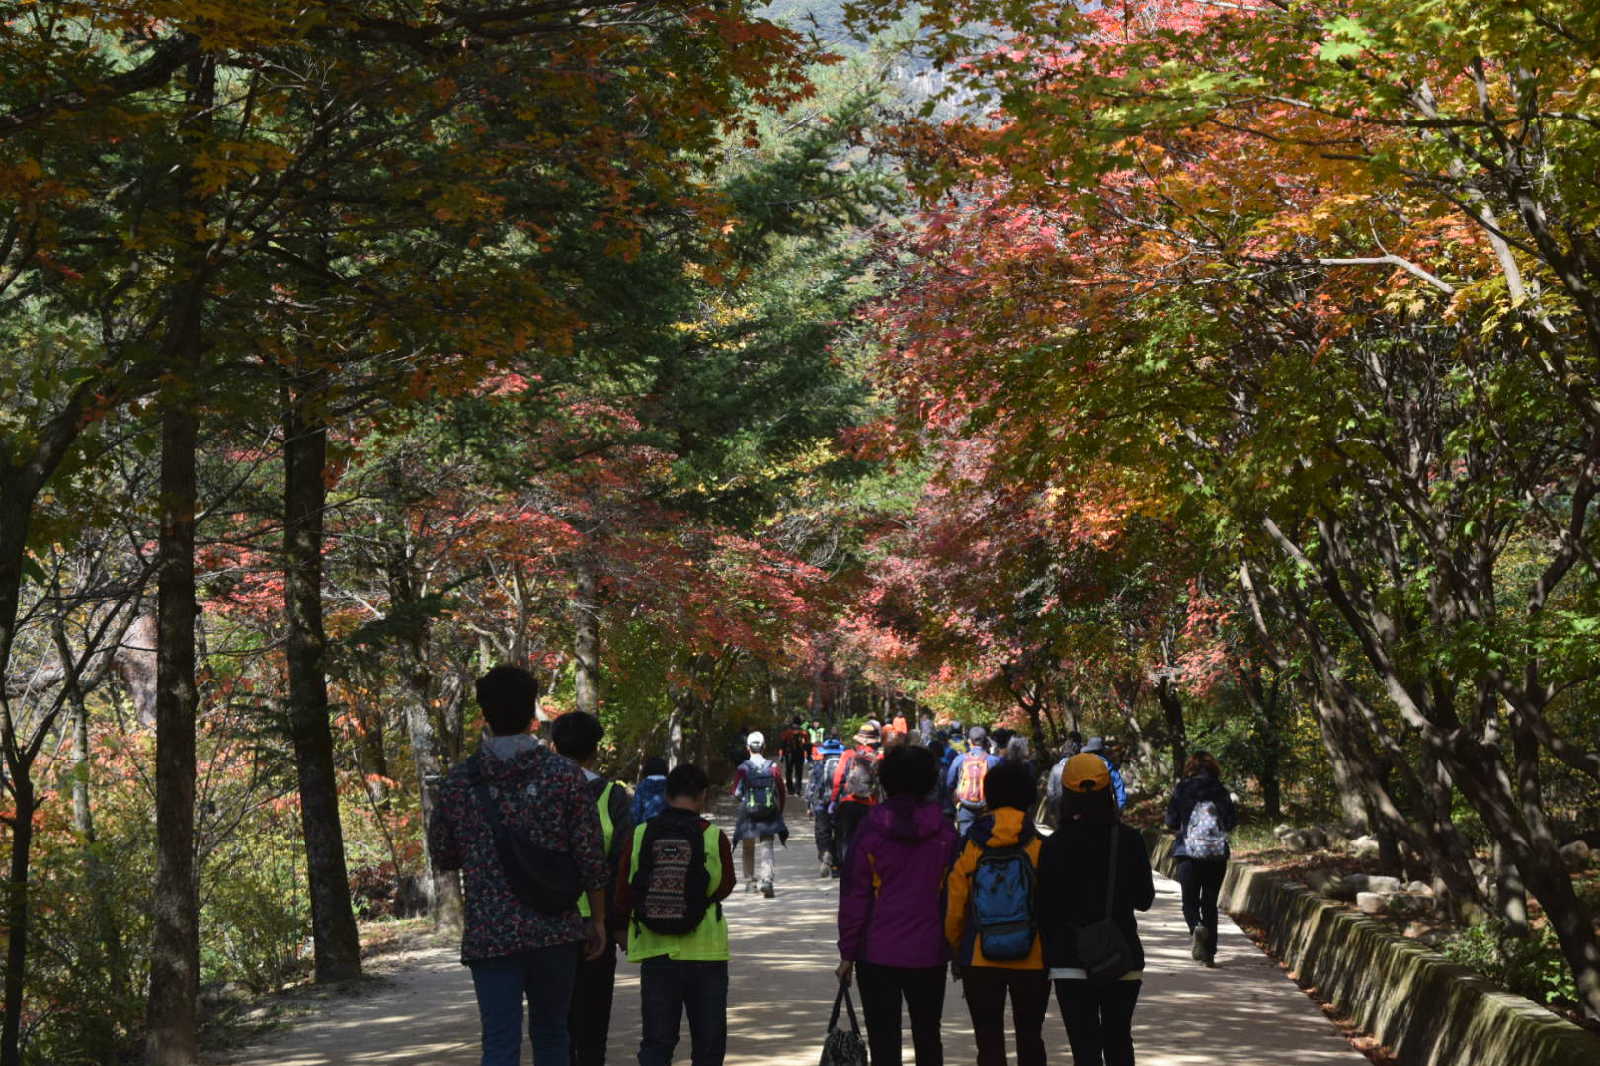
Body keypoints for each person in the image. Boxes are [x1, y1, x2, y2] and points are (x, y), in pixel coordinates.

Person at [427, 666, 610, 1066]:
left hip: (490, 933)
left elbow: (442, 854)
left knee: (499, 1042)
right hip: (556, 929)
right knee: (552, 1036)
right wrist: (597, 919)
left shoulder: (459, 782)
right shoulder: (565, 775)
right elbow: (590, 855)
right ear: (532, 712)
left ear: (485, 715)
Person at [836, 746, 961, 1066]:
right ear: (929, 780)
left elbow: (854, 895)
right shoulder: (946, 832)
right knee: (928, 1035)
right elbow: (956, 895)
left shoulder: (869, 830)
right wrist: (957, 948)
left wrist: (847, 952)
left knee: (883, 1040)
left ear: (886, 781)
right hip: (929, 951)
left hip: (876, 952)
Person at [615, 763, 736, 1066]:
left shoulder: (641, 834)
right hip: (707, 952)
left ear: (667, 795)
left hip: (657, 953)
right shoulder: (714, 836)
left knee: (657, 1042)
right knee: (708, 1044)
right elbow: (724, 887)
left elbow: (624, 892)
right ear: (704, 796)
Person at [1038, 754, 1155, 1066]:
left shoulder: (1055, 845)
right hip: (1121, 955)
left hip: (1070, 960)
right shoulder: (1129, 840)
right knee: (1119, 1042)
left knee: (1085, 1049)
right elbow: (1145, 900)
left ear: (1066, 794)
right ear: (1108, 791)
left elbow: (1043, 909)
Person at [944, 761, 1048, 1066]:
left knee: (988, 1041)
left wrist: (956, 950)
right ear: (1028, 797)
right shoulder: (1040, 846)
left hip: (979, 956)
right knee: (1031, 1037)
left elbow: (954, 906)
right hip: (1034, 958)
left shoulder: (970, 846)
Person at [551, 711, 634, 1066]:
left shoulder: (538, 794)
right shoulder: (612, 797)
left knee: (555, 1020)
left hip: (548, 924)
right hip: (595, 926)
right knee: (594, 1017)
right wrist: (617, 921)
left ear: (554, 748)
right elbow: (623, 863)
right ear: (595, 751)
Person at [1164, 751, 1237, 967]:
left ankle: (1196, 927)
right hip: (1216, 855)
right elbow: (1232, 820)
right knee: (1210, 903)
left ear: (1191, 768)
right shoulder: (1220, 789)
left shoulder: (1182, 789)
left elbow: (1170, 820)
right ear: (1213, 767)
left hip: (1187, 853)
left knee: (1190, 902)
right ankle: (1210, 954)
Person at [729, 731, 788, 898]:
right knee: (767, 846)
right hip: (769, 811)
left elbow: (735, 792)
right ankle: (767, 880)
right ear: (764, 747)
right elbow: (781, 791)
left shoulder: (743, 768)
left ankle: (750, 883)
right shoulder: (773, 767)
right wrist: (779, 810)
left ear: (748, 748)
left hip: (748, 812)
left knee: (748, 848)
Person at [830, 721, 883, 871]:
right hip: (870, 803)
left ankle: (848, 870)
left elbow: (838, 779)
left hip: (848, 801)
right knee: (868, 839)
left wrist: (834, 800)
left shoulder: (848, 754)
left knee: (847, 838)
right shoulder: (878, 757)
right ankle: (866, 870)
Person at [948, 727, 1000, 835]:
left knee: (965, 841)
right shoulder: (994, 761)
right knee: (984, 841)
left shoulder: (960, 759)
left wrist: (955, 799)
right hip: (987, 809)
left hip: (965, 808)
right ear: (985, 741)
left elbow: (949, 783)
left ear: (969, 741)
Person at [809, 731, 846, 877]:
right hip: (839, 803)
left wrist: (808, 805)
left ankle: (825, 853)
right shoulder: (845, 765)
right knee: (839, 832)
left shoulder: (818, 767)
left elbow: (811, 788)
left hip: (820, 804)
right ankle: (837, 867)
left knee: (822, 832)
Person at [1045, 732, 1085, 826]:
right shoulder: (1082, 768)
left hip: (1060, 810)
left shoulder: (1055, 768)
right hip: (1078, 812)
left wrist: (1052, 810)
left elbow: (1050, 792)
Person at [633, 757, 670, 825]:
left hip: (645, 828)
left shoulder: (642, 786)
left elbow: (636, 812)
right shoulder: (671, 786)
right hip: (667, 828)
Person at [779, 717, 812, 793]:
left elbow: (782, 744)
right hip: (799, 753)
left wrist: (781, 755)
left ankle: (790, 789)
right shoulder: (803, 733)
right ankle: (798, 789)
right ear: (800, 723)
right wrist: (808, 755)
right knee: (798, 772)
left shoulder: (787, 732)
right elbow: (807, 745)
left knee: (789, 772)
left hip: (789, 753)